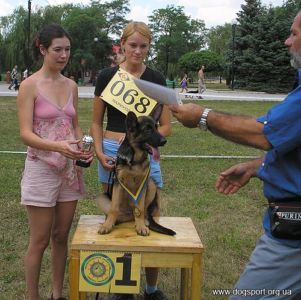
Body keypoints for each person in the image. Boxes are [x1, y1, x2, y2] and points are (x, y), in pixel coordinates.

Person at [169, 10, 301, 300]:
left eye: (293, 33)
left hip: (292, 239)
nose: (286, 41)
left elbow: (264, 133)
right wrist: (258, 167)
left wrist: (202, 116)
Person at [91, 21, 171, 300]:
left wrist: (150, 144)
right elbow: (95, 121)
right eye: (132, 45)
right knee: (116, 214)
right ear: (122, 44)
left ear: (149, 47)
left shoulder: (157, 79)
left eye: (143, 46)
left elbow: (166, 126)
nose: (137, 51)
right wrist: (100, 152)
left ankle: (150, 287)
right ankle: (121, 288)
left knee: (151, 214)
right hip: (112, 149)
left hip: (144, 152)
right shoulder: (107, 76)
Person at [17, 24, 93, 300]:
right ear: (43, 49)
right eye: (57, 50)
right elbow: (26, 134)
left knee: (62, 236)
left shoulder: (71, 85)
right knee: (39, 240)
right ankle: (32, 296)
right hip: (41, 168)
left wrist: (83, 146)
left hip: (69, 171)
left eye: (67, 49)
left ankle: (57, 294)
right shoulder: (29, 86)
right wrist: (58, 147)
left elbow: (74, 125)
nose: (63, 55)